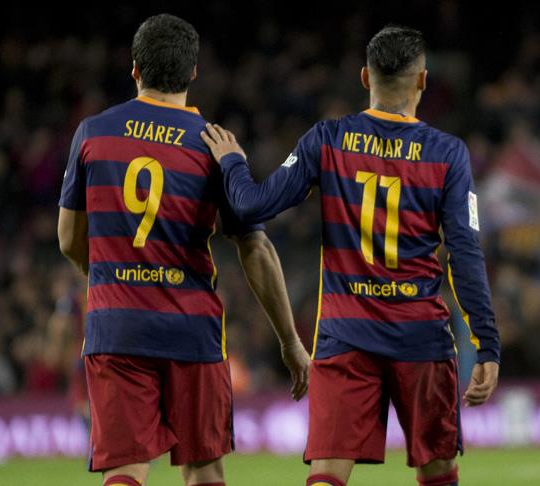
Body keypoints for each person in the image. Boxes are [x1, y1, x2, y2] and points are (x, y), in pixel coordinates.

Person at [201, 24, 500, 486]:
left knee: (328, 472)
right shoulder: (448, 154)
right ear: (423, 80)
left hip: (346, 335)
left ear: (365, 77)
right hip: (421, 336)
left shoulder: (328, 139)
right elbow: (464, 254)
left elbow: (251, 207)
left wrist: (232, 162)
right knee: (438, 470)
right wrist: (487, 343)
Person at [57, 14, 310, 486]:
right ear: (194, 72)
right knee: (204, 468)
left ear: (135, 68)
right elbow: (255, 248)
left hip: (116, 327)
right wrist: (290, 341)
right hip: (191, 329)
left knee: (124, 469)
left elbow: (68, 239)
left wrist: (114, 280)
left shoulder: (92, 132)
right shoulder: (214, 145)